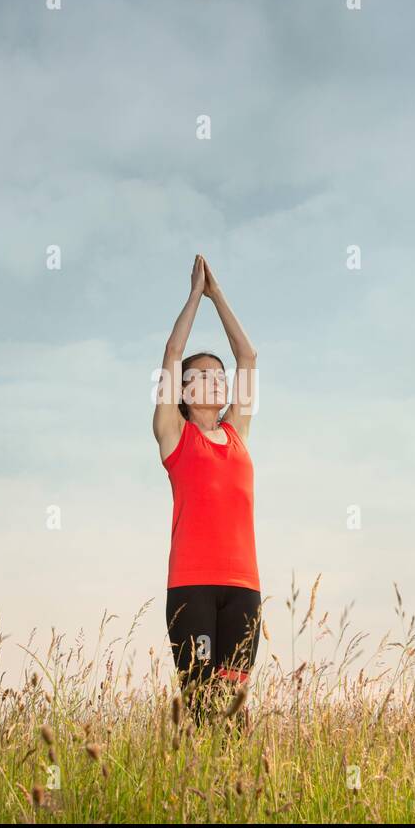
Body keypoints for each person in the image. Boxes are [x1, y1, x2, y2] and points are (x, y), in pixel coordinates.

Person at [153, 254, 261, 728]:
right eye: (201, 377)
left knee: (233, 711)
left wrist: (219, 297)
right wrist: (194, 296)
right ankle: (195, 790)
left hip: (243, 588)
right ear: (183, 390)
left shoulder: (237, 431)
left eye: (219, 377)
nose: (214, 382)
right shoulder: (175, 435)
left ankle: (231, 793)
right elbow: (170, 357)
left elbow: (249, 357)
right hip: (192, 586)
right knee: (200, 704)